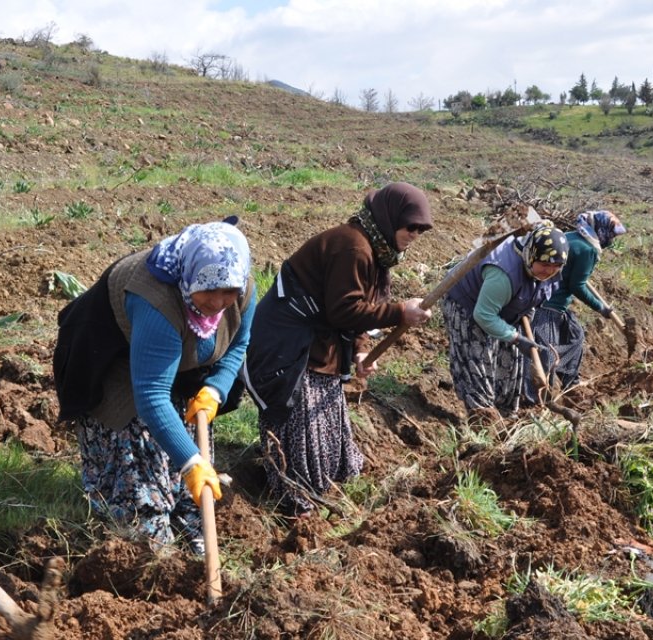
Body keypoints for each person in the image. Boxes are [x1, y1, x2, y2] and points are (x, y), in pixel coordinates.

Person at [52, 219, 254, 552]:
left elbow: (239, 343)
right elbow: (151, 393)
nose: (219, 302)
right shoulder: (156, 300)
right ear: (190, 277)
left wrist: (215, 388)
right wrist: (190, 462)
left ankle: (193, 534)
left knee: (193, 473)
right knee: (141, 490)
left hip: (177, 366)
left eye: (228, 291)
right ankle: (150, 545)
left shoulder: (241, 285)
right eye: (209, 290)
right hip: (112, 362)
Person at [242, 183, 434, 518]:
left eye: (422, 229)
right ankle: (296, 501)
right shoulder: (354, 248)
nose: (415, 235)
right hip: (289, 345)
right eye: (411, 226)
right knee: (298, 423)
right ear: (390, 219)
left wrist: (360, 350)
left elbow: (362, 305)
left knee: (326, 419)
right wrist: (400, 312)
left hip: (319, 343)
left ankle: (323, 492)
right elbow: (344, 310)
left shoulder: (377, 251)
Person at [442, 220, 568, 423]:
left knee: (509, 369)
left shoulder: (549, 269)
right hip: (469, 305)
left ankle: (507, 419)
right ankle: (483, 423)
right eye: (545, 265)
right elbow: (483, 315)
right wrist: (516, 338)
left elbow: (538, 291)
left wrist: (527, 312)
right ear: (530, 255)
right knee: (478, 365)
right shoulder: (503, 273)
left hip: (505, 309)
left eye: (556, 266)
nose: (549, 271)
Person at [523, 211, 627, 403]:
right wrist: (601, 308)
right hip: (548, 305)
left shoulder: (572, 236)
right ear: (600, 230)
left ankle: (571, 384)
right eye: (610, 234)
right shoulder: (588, 250)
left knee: (575, 335)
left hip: (550, 301)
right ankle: (535, 400)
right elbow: (577, 286)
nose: (611, 240)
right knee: (545, 352)